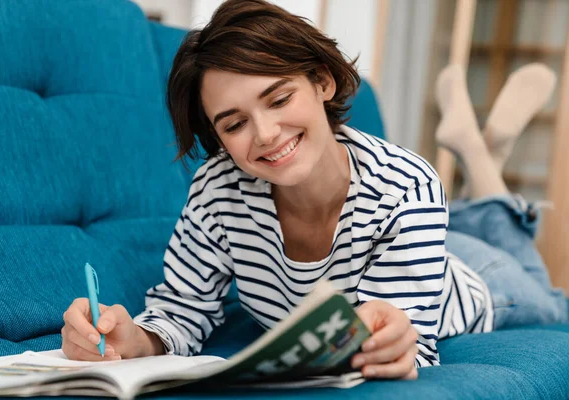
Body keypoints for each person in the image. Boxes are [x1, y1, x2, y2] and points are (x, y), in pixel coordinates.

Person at [60, 0, 567, 381]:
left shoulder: (406, 183)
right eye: (234, 124)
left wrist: (393, 340)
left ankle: (483, 165)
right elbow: (181, 313)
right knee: (445, 222)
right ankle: (482, 165)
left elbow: (412, 343)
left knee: (542, 287)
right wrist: (135, 338)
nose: (265, 134)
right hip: (406, 238)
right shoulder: (216, 193)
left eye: (279, 98)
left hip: (479, 287)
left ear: (322, 81)